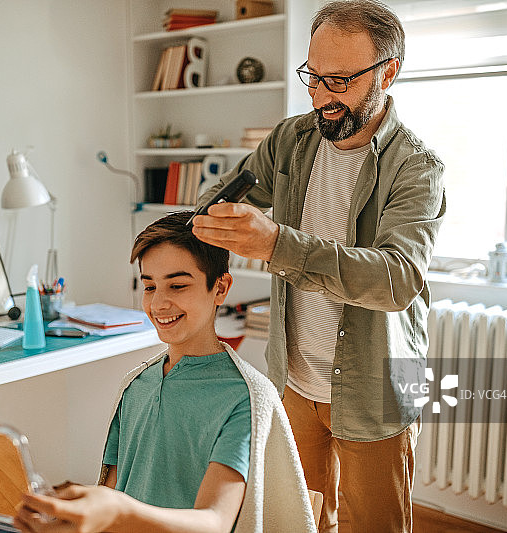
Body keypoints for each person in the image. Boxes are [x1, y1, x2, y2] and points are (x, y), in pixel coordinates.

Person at [190, 1, 446, 532]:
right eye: (312, 76)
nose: (320, 97)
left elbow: (397, 279)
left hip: (378, 387)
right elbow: (225, 192)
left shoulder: (417, 167)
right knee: (298, 521)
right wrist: (212, 216)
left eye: (339, 81)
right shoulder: (291, 139)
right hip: (295, 380)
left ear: (387, 73)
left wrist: (277, 243)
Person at [15, 211, 316, 533]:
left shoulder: (245, 397)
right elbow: (113, 491)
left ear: (220, 288)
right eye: (149, 286)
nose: (158, 303)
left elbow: (215, 522)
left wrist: (117, 512)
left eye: (177, 285)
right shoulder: (137, 385)